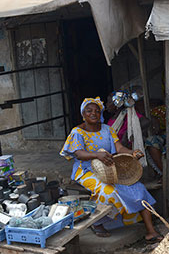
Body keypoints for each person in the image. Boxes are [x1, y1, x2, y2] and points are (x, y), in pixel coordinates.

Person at [60, 97, 162, 241]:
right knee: (109, 192)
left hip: (108, 166)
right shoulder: (77, 132)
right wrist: (96, 155)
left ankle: (151, 231)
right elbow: (78, 153)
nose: (93, 113)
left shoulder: (107, 129)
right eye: (89, 111)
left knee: (138, 188)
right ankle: (97, 222)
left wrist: (131, 152)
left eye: (97, 111)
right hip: (86, 171)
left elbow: (119, 147)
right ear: (83, 114)